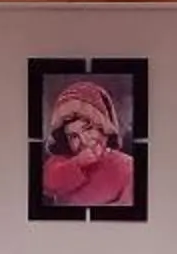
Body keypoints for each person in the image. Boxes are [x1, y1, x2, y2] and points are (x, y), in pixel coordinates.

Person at [40, 75, 136, 209]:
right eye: (73, 136)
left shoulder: (128, 166)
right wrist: (78, 163)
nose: (84, 141)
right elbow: (47, 184)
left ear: (104, 127)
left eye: (88, 129)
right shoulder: (61, 162)